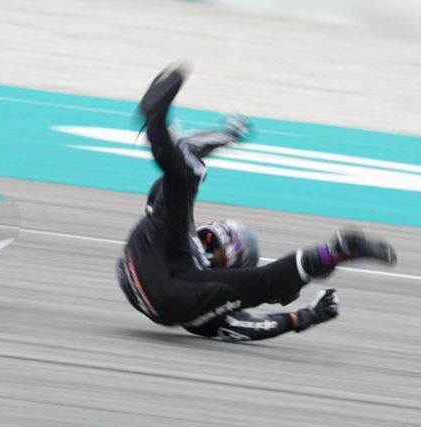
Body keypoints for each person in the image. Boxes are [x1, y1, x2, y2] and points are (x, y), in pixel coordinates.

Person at [115, 63, 397, 342]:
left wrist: (304, 317)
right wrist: (226, 136)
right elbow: (185, 158)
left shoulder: (215, 301)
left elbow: (252, 324)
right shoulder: (175, 231)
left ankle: (338, 251)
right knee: (184, 176)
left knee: (260, 281)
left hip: (170, 289)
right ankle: (156, 126)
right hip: (146, 265)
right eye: (213, 238)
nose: (210, 244)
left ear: (231, 267)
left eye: (222, 249)